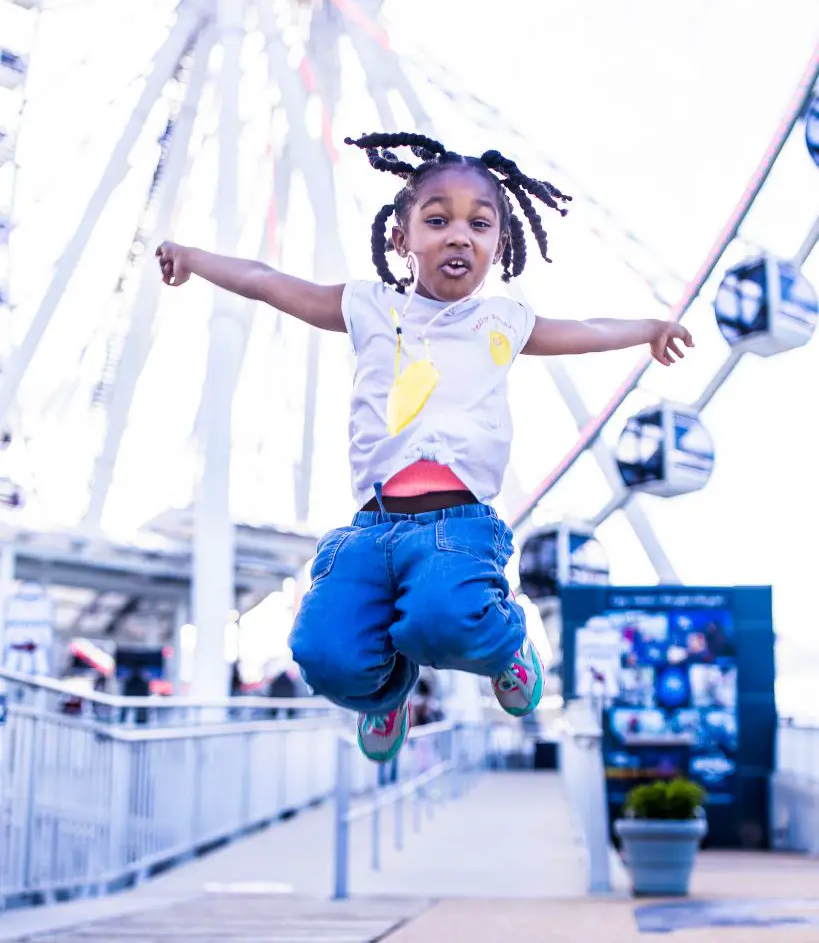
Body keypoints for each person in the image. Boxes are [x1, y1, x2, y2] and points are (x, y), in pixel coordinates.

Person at [156, 131, 693, 765]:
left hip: (458, 524)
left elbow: (584, 330)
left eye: (480, 223)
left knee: (445, 619)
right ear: (401, 238)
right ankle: (386, 695)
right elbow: (267, 281)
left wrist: (648, 330)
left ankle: (507, 647)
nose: (459, 235)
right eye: (437, 220)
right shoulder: (368, 307)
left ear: (498, 243)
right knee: (323, 654)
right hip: (371, 526)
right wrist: (193, 256)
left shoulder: (503, 322)